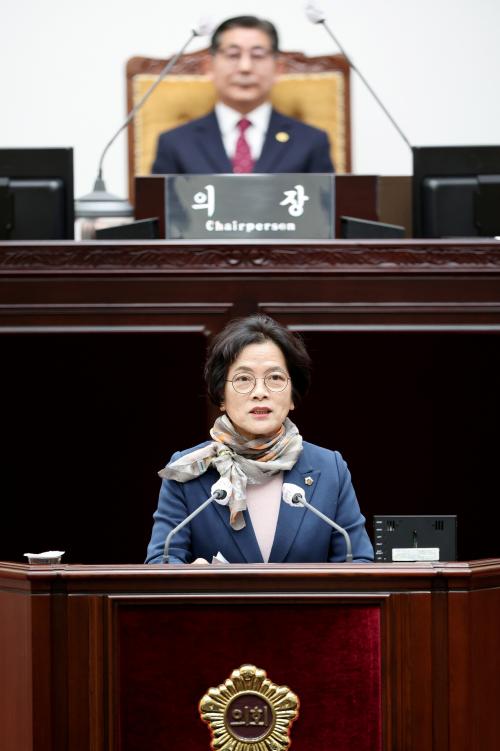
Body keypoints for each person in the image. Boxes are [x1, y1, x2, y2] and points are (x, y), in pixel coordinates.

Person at [146, 315, 373, 564]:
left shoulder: (330, 469)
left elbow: (358, 561)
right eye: (243, 379)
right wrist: (190, 577)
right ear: (221, 396)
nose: (260, 392)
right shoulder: (189, 469)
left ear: (293, 395)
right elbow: (162, 560)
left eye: (275, 378)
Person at [152, 15, 334, 175]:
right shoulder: (175, 143)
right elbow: (160, 203)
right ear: (209, 67)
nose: (245, 67)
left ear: (278, 68)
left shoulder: (311, 141)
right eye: (233, 55)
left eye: (258, 55)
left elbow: (326, 202)